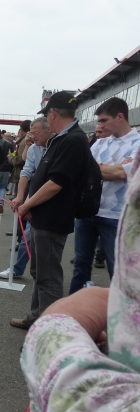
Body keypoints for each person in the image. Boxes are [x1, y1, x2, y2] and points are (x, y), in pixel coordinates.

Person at [20, 148, 140, 412]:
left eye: (104, 121)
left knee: (48, 278)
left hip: (63, 221)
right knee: (65, 271)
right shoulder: (62, 144)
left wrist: (52, 331)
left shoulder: (69, 143)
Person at [11, 91, 90, 330]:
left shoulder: (73, 140)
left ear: (52, 114)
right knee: (39, 272)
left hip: (52, 220)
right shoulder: (61, 138)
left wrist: (26, 204)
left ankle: (49, 333)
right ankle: (36, 318)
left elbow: (56, 184)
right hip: (43, 218)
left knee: (49, 280)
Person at [69, 97, 140, 294]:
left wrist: (101, 169)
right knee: (80, 266)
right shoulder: (101, 143)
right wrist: (111, 169)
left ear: (120, 117)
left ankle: (119, 319)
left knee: (117, 270)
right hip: (89, 211)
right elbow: (82, 169)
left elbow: (120, 174)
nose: (99, 125)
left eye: (103, 120)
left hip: (118, 216)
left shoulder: (137, 143)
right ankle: (74, 316)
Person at [0, 117, 54, 279]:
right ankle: (18, 269)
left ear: (48, 129)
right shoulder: (32, 148)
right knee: (28, 237)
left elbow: (51, 182)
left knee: (48, 244)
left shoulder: (58, 147)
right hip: (35, 194)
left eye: (36, 133)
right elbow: (27, 171)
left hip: (53, 199)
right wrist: (21, 197)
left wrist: (28, 204)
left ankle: (47, 277)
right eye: (30, 133)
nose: (32, 136)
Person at [8, 120, 31, 198]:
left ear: (21, 130)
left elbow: (20, 160)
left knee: (19, 200)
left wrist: (10, 157)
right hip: (26, 175)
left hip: (22, 174)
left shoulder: (25, 141)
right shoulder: (28, 141)